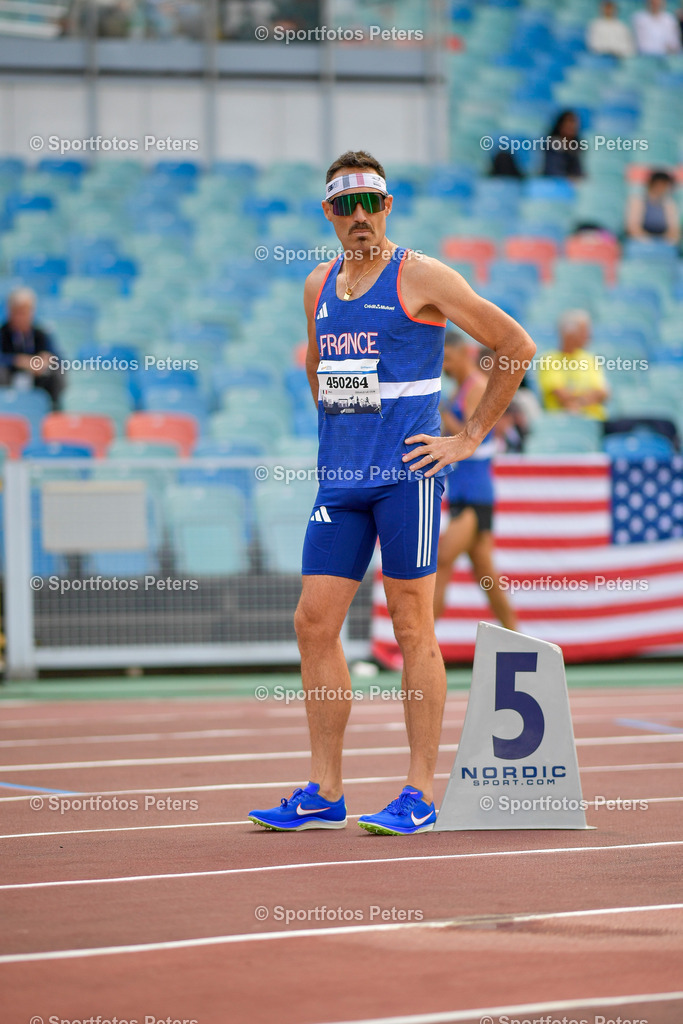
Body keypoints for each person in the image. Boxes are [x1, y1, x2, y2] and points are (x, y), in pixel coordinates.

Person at [248, 150, 535, 836]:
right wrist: (348, 421)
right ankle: (324, 788)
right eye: (345, 207)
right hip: (339, 480)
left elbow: (514, 346)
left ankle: (417, 791)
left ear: (387, 206)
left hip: (405, 479)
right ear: (328, 214)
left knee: (413, 626)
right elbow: (319, 370)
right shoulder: (317, 285)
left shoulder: (421, 275)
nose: (359, 218)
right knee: (312, 623)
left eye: (370, 204)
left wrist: (465, 437)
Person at [433, 333, 518, 633]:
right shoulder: (460, 390)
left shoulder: (476, 387)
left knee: (442, 557)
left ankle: (420, 640)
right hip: (463, 491)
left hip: (475, 494)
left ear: (464, 354)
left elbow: (472, 437)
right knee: (487, 575)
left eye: (449, 358)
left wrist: (442, 414)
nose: (444, 364)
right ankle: (516, 635)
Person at [537, 309, 609, 421]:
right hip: (563, 422)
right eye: (584, 331)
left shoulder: (590, 359)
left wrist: (579, 401)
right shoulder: (549, 359)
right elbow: (562, 396)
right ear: (569, 333)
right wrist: (588, 397)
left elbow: (603, 393)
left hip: (597, 421)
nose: (588, 336)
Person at [0, 288, 64, 408]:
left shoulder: (40, 334)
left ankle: (52, 412)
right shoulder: (2, 333)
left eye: (25, 312)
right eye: (18, 312)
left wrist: (47, 359)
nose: (21, 317)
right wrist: (17, 360)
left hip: (37, 379)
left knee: (56, 372)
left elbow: (58, 358)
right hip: (9, 376)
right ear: (10, 312)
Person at [626, 169, 681, 245]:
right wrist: (647, 241)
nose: (662, 189)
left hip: (663, 242)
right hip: (640, 241)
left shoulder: (669, 204)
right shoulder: (638, 201)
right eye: (660, 185)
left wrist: (667, 241)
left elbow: (674, 229)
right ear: (653, 184)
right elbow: (633, 227)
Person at [543, 110, 584, 179]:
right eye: (569, 122)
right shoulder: (551, 144)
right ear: (560, 124)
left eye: (574, 122)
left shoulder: (576, 146)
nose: (572, 126)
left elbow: (578, 172)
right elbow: (552, 171)